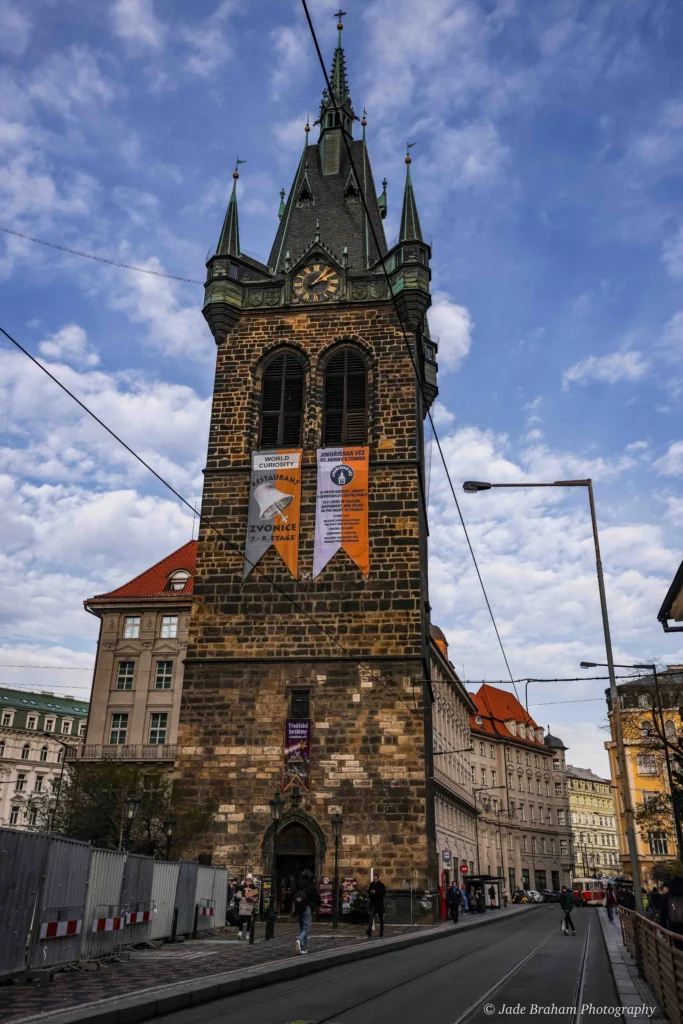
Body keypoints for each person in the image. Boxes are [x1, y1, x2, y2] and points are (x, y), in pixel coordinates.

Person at [293, 868, 321, 954]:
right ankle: (299, 940)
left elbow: (293, 895)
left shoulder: (298, 884)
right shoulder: (310, 886)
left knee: (302, 927)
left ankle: (303, 948)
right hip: (306, 908)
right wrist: (318, 903)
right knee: (306, 928)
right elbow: (316, 898)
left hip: (298, 908)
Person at [236, 875, 258, 940]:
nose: (248, 881)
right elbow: (238, 895)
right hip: (242, 906)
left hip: (249, 907)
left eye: (249, 880)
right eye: (247, 880)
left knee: (249, 921)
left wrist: (248, 895)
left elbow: (255, 898)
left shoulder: (254, 887)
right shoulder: (242, 887)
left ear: (251, 880)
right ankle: (240, 932)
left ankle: (248, 933)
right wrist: (239, 896)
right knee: (241, 920)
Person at [367, 871, 386, 937]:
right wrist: (371, 892)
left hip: (379, 904)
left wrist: (376, 892)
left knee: (381, 918)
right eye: (374, 879)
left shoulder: (381, 885)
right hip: (373, 904)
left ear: (378, 878)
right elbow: (368, 892)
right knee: (371, 917)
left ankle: (381, 931)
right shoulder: (371, 884)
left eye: (375, 879)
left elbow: (383, 894)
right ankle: (369, 930)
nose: (374, 880)